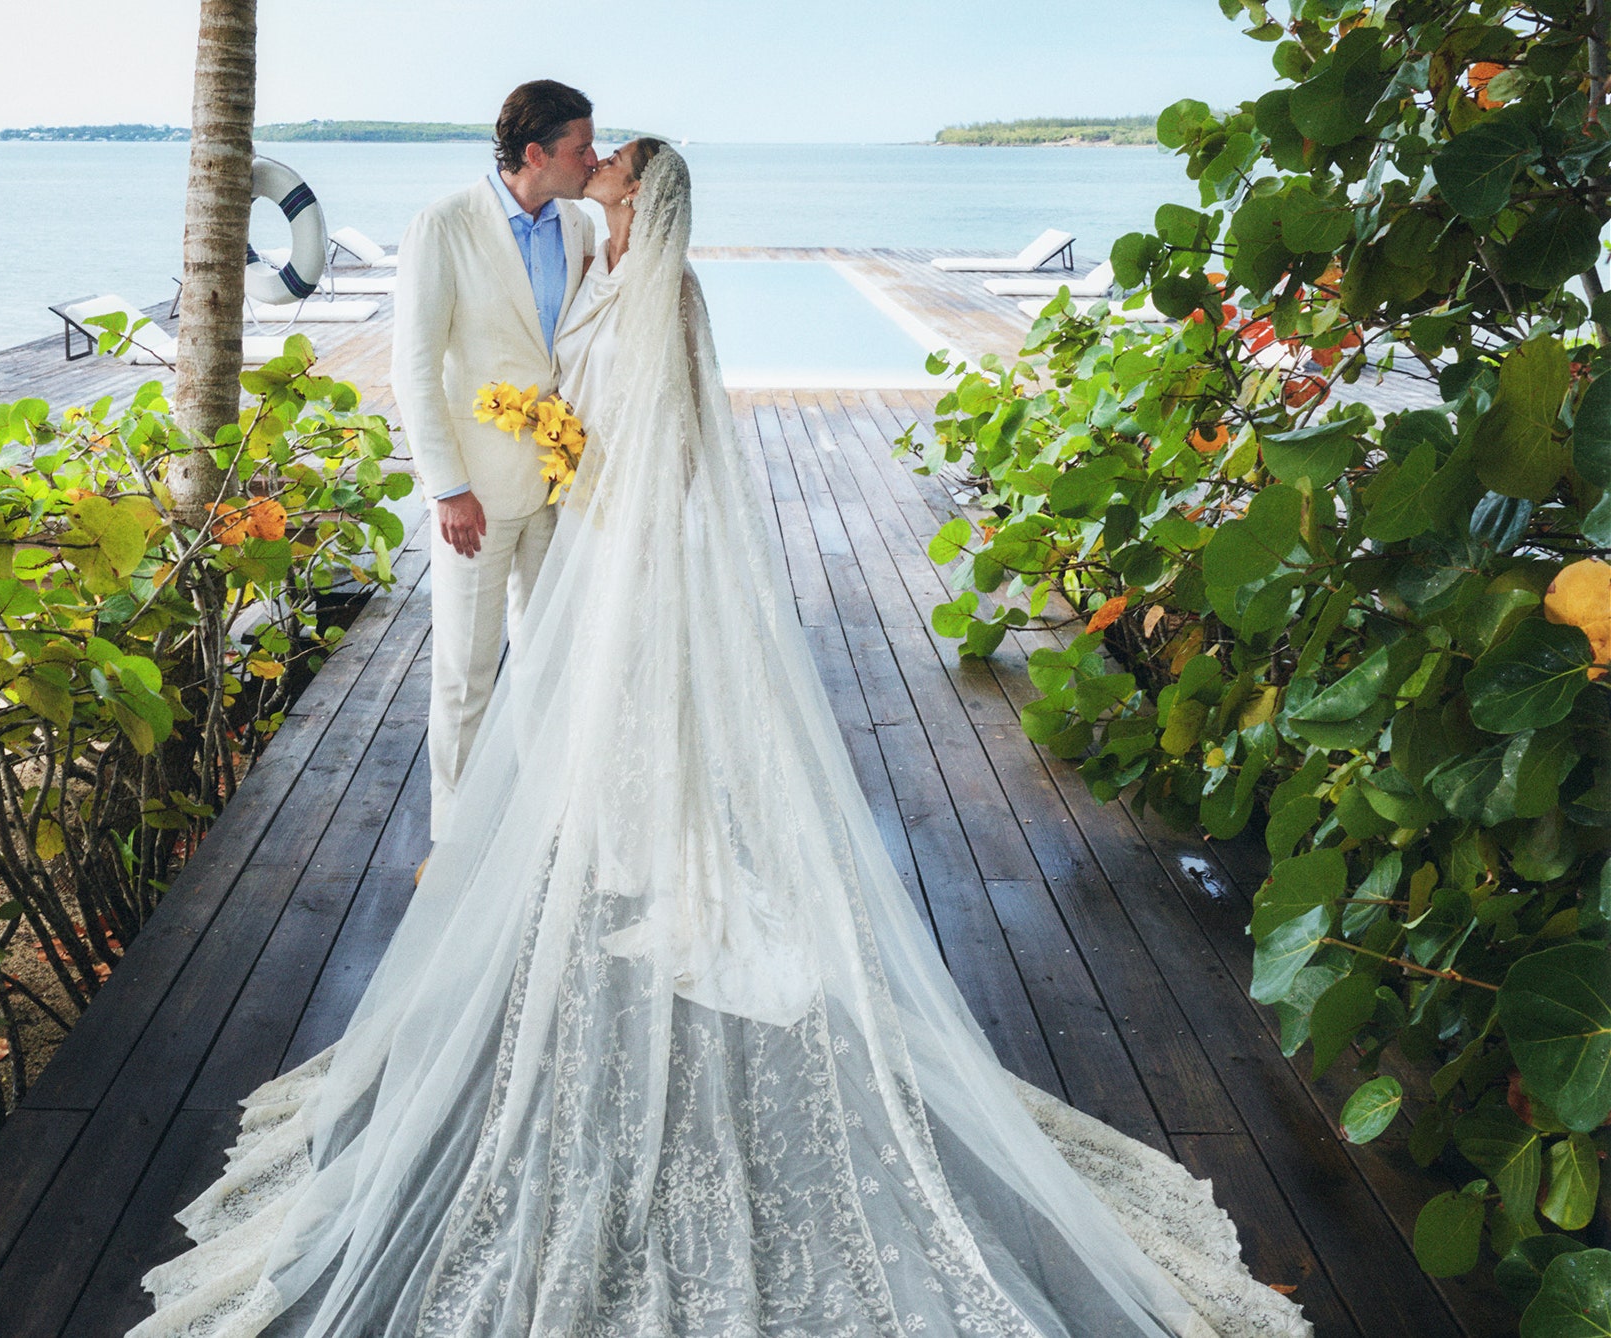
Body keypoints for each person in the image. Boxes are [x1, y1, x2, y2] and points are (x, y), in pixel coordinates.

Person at [128, 143, 1311, 1338]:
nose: (597, 168)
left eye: (616, 166)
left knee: (639, 717)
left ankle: (656, 866)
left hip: (627, 547)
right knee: (575, 721)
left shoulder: (671, 294)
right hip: (578, 526)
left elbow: (679, 437)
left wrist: (608, 500)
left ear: (640, 196)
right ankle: (607, 859)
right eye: (590, 155)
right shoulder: (596, 258)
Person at [390, 79, 598, 843]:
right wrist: (447, 489)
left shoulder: (578, 226)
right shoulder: (443, 226)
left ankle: (537, 828)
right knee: (467, 675)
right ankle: (457, 845)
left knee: (548, 661)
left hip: (556, 484)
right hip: (474, 495)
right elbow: (412, 370)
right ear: (537, 153)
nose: (593, 159)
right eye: (582, 148)